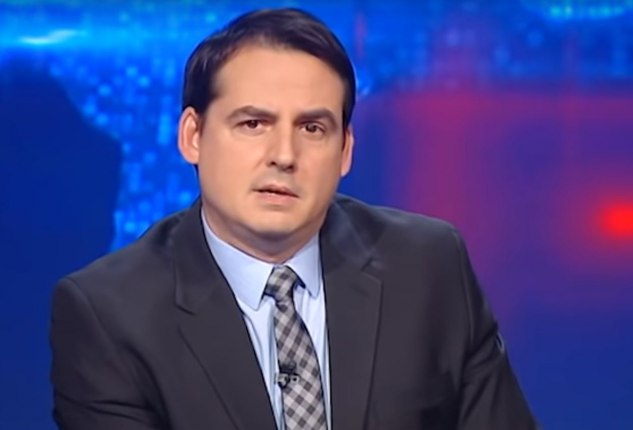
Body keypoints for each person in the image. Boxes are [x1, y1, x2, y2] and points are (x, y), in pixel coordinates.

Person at [50, 8, 538, 430]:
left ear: (345, 151)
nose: (284, 155)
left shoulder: (429, 266)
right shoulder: (109, 316)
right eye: (253, 123)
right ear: (192, 136)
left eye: (312, 128)